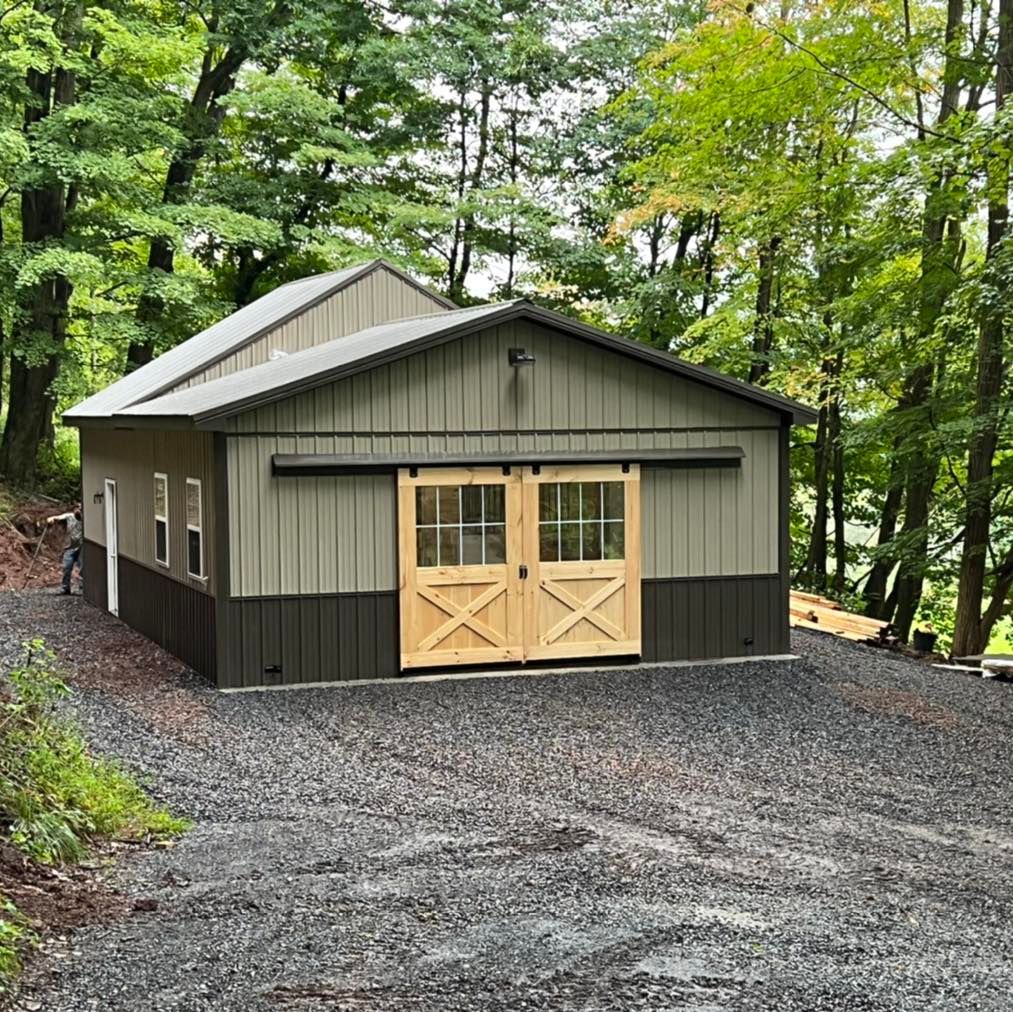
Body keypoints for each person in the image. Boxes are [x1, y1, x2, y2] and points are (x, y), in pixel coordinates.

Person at [47, 505, 83, 595]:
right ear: (74, 509)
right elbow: (57, 517)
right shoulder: (69, 516)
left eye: (80, 509)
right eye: (77, 508)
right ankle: (65, 588)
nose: (78, 511)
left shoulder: (86, 519)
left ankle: (84, 588)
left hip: (82, 547)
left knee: (83, 568)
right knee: (67, 567)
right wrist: (51, 519)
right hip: (70, 547)